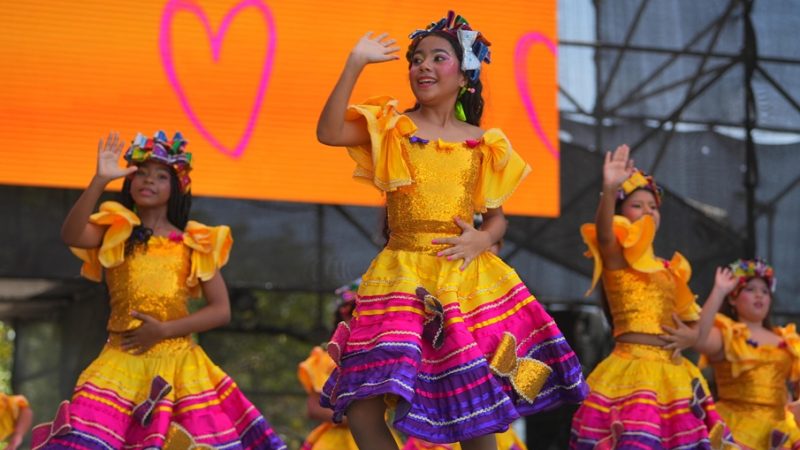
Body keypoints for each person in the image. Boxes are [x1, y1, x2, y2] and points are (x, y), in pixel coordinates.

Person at [316, 11, 587, 450]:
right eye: (416, 58)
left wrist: (483, 237)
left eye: (437, 57)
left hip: (460, 277)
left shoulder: (483, 142)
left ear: (464, 76)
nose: (422, 65)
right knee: (362, 401)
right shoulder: (394, 129)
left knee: (472, 406)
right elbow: (328, 132)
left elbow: (496, 217)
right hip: (400, 276)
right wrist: (354, 63)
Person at [31, 131, 286, 449]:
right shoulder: (116, 232)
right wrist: (99, 180)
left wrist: (164, 330)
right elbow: (71, 235)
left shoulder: (194, 243)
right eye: (141, 173)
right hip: (119, 361)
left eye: (161, 176)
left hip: (177, 366)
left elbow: (221, 310)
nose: (148, 181)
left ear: (176, 188)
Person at [569, 144, 736, 449]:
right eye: (637, 205)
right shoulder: (618, 258)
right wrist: (609, 188)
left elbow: (696, 329)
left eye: (653, 206)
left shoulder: (672, 270)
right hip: (632, 371)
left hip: (674, 375)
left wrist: (692, 332)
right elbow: (604, 234)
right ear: (621, 213)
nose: (648, 211)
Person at [691, 258, 800, 449]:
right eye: (750, 290)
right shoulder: (728, 334)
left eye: (764, 291)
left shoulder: (788, 341)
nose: (759, 295)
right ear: (733, 298)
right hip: (736, 428)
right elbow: (698, 338)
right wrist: (719, 290)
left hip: (781, 432)